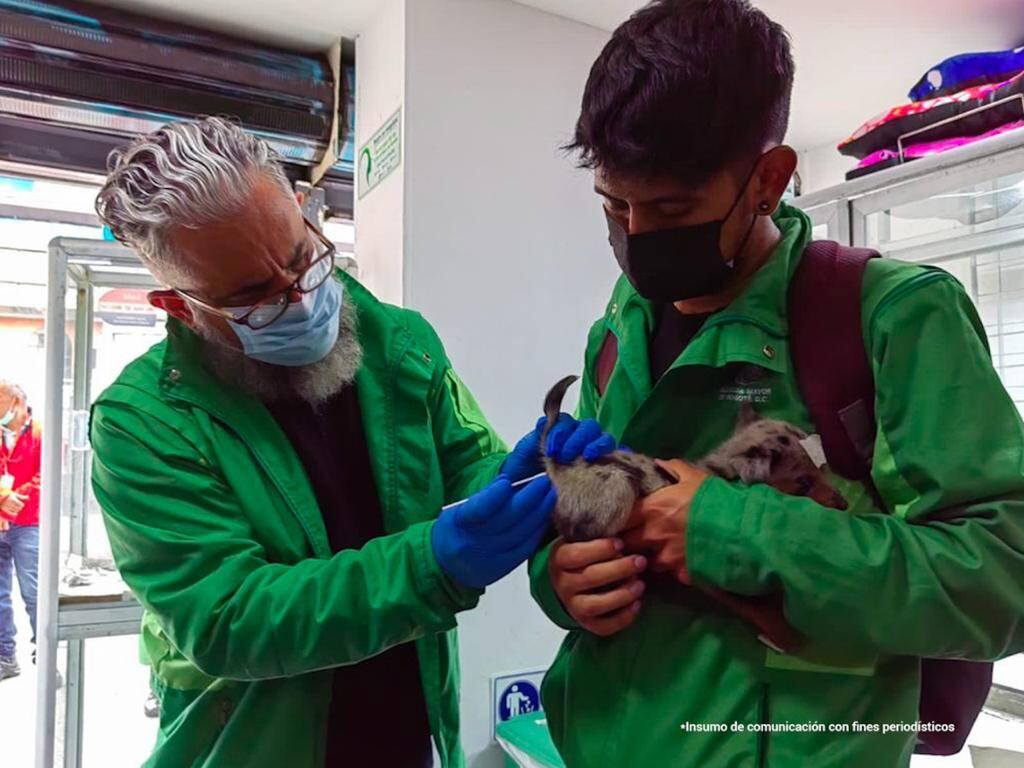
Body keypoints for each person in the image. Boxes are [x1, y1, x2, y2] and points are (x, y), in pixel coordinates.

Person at [529, 2, 1024, 766]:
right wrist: (562, 580)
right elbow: (588, 518)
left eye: (670, 208)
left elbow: (1000, 580)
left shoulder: (892, 318)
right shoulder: (617, 329)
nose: (635, 235)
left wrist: (726, 531)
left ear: (769, 178)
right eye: (612, 204)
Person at [90, 117, 615, 768]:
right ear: (177, 306)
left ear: (307, 212)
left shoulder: (397, 344)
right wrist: (433, 565)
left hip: (407, 732)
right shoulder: (143, 424)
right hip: (255, 748)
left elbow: (466, 466)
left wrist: (520, 481)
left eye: (300, 258)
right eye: (254, 297)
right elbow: (229, 618)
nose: (298, 300)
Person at [0, 381, 41, 683]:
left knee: (33, 591)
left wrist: (17, 498)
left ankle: (45, 650)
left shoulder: (41, 432)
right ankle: (5, 657)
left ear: (16, 402)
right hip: (1, 520)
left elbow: (45, 474)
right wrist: (3, 501)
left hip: (29, 523)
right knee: (0, 596)